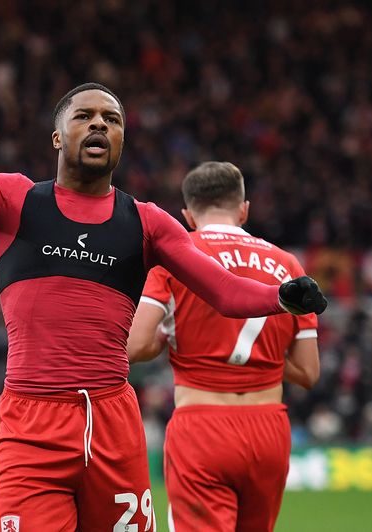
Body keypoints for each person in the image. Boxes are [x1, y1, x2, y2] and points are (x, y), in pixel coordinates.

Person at [0, 43, 326, 531]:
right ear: (57, 137)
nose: (99, 123)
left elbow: (225, 291)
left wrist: (281, 297)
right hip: (31, 424)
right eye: (84, 116)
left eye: (112, 119)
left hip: (115, 424)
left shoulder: (148, 223)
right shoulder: (12, 200)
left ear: (121, 141)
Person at [126, 162, 320, 531]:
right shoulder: (289, 264)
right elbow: (309, 373)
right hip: (269, 429)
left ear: (187, 215)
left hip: (202, 425)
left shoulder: (175, 257)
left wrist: (171, 338)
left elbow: (135, 345)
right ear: (244, 208)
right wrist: (260, 356)